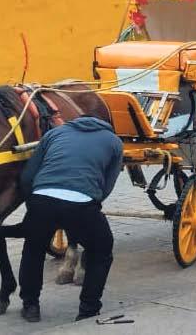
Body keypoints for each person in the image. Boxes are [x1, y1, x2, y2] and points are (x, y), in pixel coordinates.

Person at [17, 115, 123, 322]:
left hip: (42, 198)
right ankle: (88, 309)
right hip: (81, 204)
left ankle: (30, 306)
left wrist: (34, 206)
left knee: (33, 250)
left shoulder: (54, 133)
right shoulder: (114, 142)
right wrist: (91, 204)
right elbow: (107, 184)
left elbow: (28, 175)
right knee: (101, 250)